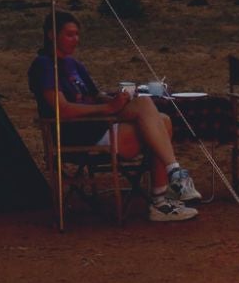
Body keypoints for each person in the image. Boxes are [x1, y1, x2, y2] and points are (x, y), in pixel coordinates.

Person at [28, 11, 202, 222]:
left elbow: (95, 95)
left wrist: (118, 98)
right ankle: (164, 196)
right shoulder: (44, 65)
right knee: (158, 125)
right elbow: (62, 109)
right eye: (69, 35)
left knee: (158, 116)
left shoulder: (75, 65)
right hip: (77, 133)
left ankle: (168, 188)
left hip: (99, 125)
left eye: (77, 34)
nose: (76, 40)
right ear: (51, 35)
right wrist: (108, 109)